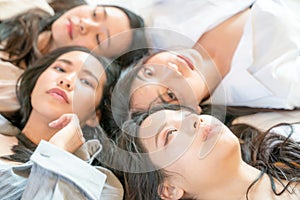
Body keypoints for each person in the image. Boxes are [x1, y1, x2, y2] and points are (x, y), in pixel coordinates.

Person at [0, 46, 123, 199]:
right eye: (60, 69)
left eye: (86, 81)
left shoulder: (101, 185)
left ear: (95, 116)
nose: (67, 81)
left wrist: (58, 152)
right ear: (35, 83)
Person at [114, 105, 300, 199]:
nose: (194, 121)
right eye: (170, 134)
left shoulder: (289, 148)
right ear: (169, 190)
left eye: (186, 115)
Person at [141, 0, 300, 109]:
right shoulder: (277, 86)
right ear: (192, 110)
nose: (171, 70)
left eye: (149, 73)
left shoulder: (162, 18)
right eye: (170, 94)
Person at [0, 0, 148, 112]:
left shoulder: (25, 93)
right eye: (95, 14)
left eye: (99, 39)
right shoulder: (26, 5)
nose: (85, 24)